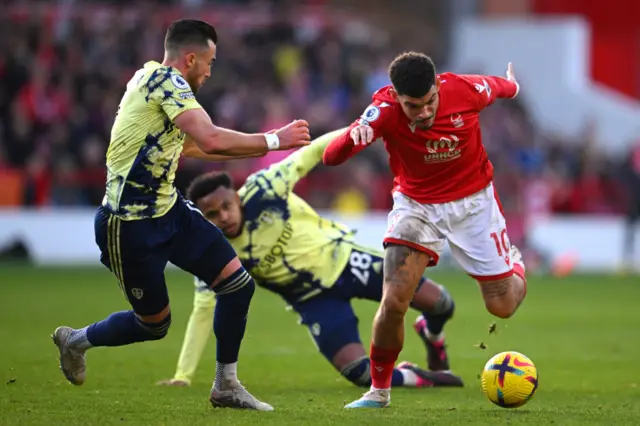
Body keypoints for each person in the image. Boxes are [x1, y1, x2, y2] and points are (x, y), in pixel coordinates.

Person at [51, 19, 310, 411]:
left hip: (169, 210)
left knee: (237, 285)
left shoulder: (152, 81)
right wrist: (275, 140)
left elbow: (193, 147)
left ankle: (226, 385)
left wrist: (260, 148)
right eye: (209, 62)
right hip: (129, 226)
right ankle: (76, 340)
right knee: (154, 324)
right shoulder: (168, 83)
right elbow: (209, 138)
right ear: (190, 58)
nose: (210, 70)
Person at [156, 129, 463, 390]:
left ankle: (431, 333)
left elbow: (314, 150)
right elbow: (202, 311)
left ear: (236, 196)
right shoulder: (214, 253)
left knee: (441, 303)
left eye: (226, 206)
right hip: (312, 300)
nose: (223, 217)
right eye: (212, 215)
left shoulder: (266, 187)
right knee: (360, 373)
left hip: (346, 260)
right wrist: (183, 375)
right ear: (203, 218)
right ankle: (422, 379)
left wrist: (363, 130)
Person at [323, 52, 528, 408]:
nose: (424, 112)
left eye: (429, 101)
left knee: (503, 307)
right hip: (417, 208)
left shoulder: (464, 89)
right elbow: (331, 157)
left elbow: (499, 88)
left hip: (475, 205)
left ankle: (513, 258)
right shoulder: (384, 110)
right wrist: (358, 133)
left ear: (437, 87)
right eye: (412, 106)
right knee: (393, 300)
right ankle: (379, 391)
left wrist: (512, 84)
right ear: (397, 96)